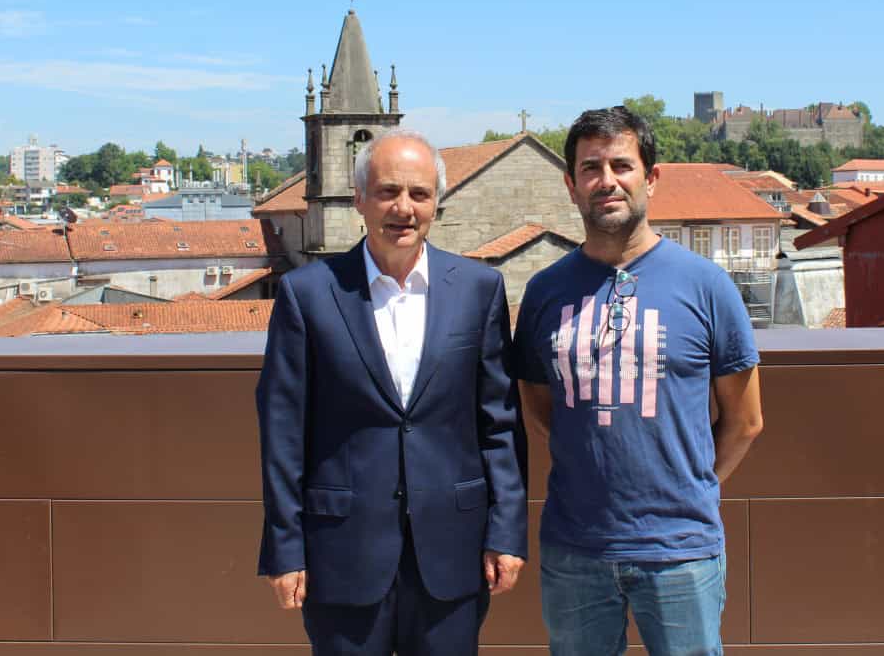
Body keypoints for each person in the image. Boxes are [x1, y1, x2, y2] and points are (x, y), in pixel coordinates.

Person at [256, 128, 528, 655]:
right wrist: (285, 548)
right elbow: (282, 433)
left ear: (436, 203)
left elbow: (500, 424)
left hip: (455, 552)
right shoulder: (307, 295)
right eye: (388, 192)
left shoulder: (479, 289)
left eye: (419, 194)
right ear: (360, 199)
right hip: (342, 554)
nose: (404, 208)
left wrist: (507, 531)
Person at [511, 106, 764, 656]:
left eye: (622, 165)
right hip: (575, 548)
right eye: (591, 168)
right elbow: (536, 406)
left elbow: (745, 420)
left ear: (650, 177)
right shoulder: (545, 292)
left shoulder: (706, 286)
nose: (607, 181)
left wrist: (691, 486)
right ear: (571, 185)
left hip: (682, 550)